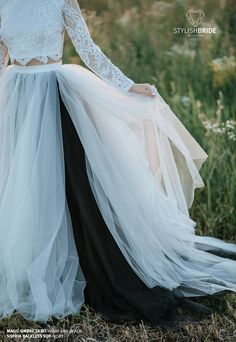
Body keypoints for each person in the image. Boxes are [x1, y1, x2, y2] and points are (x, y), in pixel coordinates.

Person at [0, 0, 235, 325]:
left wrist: (127, 85)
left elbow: (87, 47)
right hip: (17, 100)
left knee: (71, 187)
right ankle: (36, 266)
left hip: (55, 97)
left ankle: (87, 262)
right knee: (27, 185)